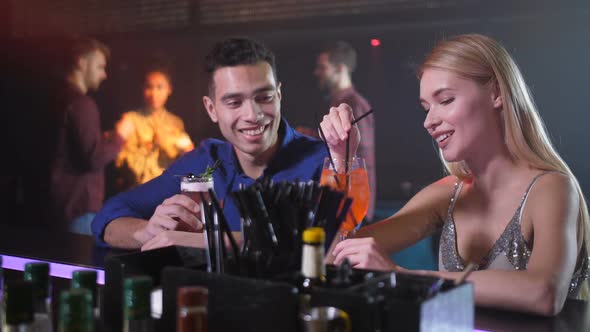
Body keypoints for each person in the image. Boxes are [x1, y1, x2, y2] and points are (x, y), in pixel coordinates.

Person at [322, 34, 589, 316]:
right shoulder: (447, 193)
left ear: (496, 93)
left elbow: (544, 294)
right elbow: (335, 259)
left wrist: (404, 277)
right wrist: (342, 160)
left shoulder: (552, 188)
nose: (429, 121)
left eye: (446, 100)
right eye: (426, 108)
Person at [91, 37, 327, 250]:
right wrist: (147, 232)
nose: (253, 115)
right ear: (211, 109)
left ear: (279, 95)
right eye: (234, 102)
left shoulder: (322, 160)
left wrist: (205, 241)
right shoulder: (204, 161)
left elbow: (334, 246)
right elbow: (108, 216)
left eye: (264, 98)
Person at [50, 37, 127, 234]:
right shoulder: (82, 104)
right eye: (100, 66)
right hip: (79, 208)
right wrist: (120, 136)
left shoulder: (56, 97)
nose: (104, 74)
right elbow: (93, 158)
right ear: (81, 62)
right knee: (82, 264)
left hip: (56, 206)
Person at [312, 41, 376, 221]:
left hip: (352, 207)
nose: (316, 72)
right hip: (338, 201)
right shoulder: (336, 104)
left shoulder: (354, 104)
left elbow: (357, 151)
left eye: (322, 67)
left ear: (340, 68)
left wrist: (316, 141)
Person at [114, 67, 194, 191]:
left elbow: (182, 167)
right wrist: (152, 145)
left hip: (168, 192)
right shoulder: (131, 120)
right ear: (142, 89)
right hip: (139, 191)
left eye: (160, 87)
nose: (154, 93)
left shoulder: (175, 123)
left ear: (169, 89)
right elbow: (124, 166)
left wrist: (187, 154)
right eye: (149, 87)